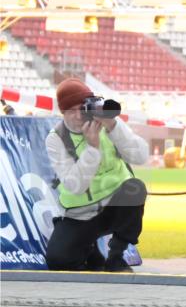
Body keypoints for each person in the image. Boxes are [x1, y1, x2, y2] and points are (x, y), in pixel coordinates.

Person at [45, 78, 149, 272]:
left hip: (114, 206)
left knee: (136, 187)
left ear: (89, 106)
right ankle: (91, 252)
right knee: (58, 261)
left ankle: (116, 257)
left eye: (80, 109)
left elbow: (141, 156)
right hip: (80, 213)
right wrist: (92, 148)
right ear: (62, 112)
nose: (77, 116)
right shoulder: (56, 138)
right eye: (70, 111)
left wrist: (114, 127)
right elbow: (75, 185)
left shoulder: (106, 123)